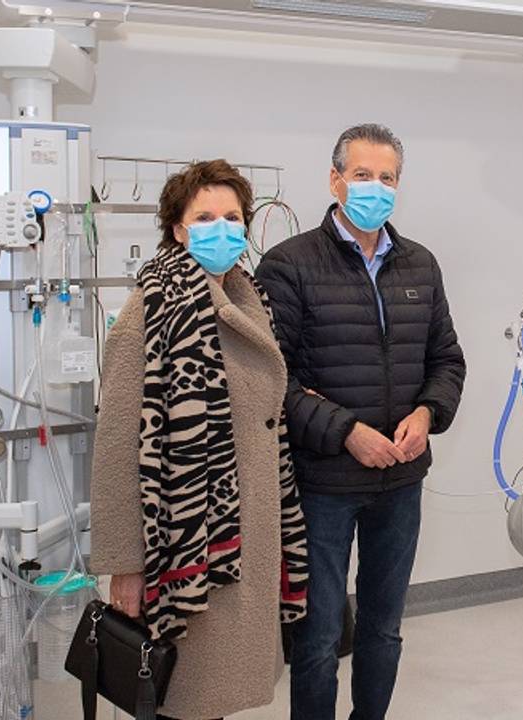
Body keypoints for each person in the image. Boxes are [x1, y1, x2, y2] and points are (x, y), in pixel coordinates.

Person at [256, 124, 467, 720]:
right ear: (335, 179)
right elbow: (275, 381)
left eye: (387, 177)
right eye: (363, 175)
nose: (375, 188)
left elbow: (447, 361)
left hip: (400, 481)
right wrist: (347, 431)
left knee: (384, 628)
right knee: (320, 638)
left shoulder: (419, 266)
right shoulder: (289, 265)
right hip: (323, 485)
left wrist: (428, 413)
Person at [90, 159, 310, 720]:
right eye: (205, 216)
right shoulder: (153, 309)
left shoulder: (247, 297)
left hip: (243, 537)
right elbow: (116, 447)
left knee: (211, 697)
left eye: (232, 217)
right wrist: (126, 564)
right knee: (181, 696)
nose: (222, 228)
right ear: (179, 229)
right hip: (187, 543)